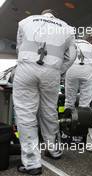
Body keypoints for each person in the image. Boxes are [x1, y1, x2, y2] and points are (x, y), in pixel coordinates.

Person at [13, 9, 76, 175]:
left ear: (43, 14)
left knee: (26, 114)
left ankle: (32, 163)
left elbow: (19, 47)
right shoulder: (67, 28)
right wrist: (58, 70)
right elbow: (72, 56)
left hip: (27, 68)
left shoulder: (26, 21)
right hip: (52, 72)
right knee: (49, 112)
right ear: (55, 15)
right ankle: (54, 150)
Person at [64, 37, 92, 110]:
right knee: (85, 102)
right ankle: (83, 116)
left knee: (69, 100)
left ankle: (67, 117)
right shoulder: (89, 45)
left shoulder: (69, 44)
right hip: (88, 69)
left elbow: (64, 60)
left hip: (72, 68)